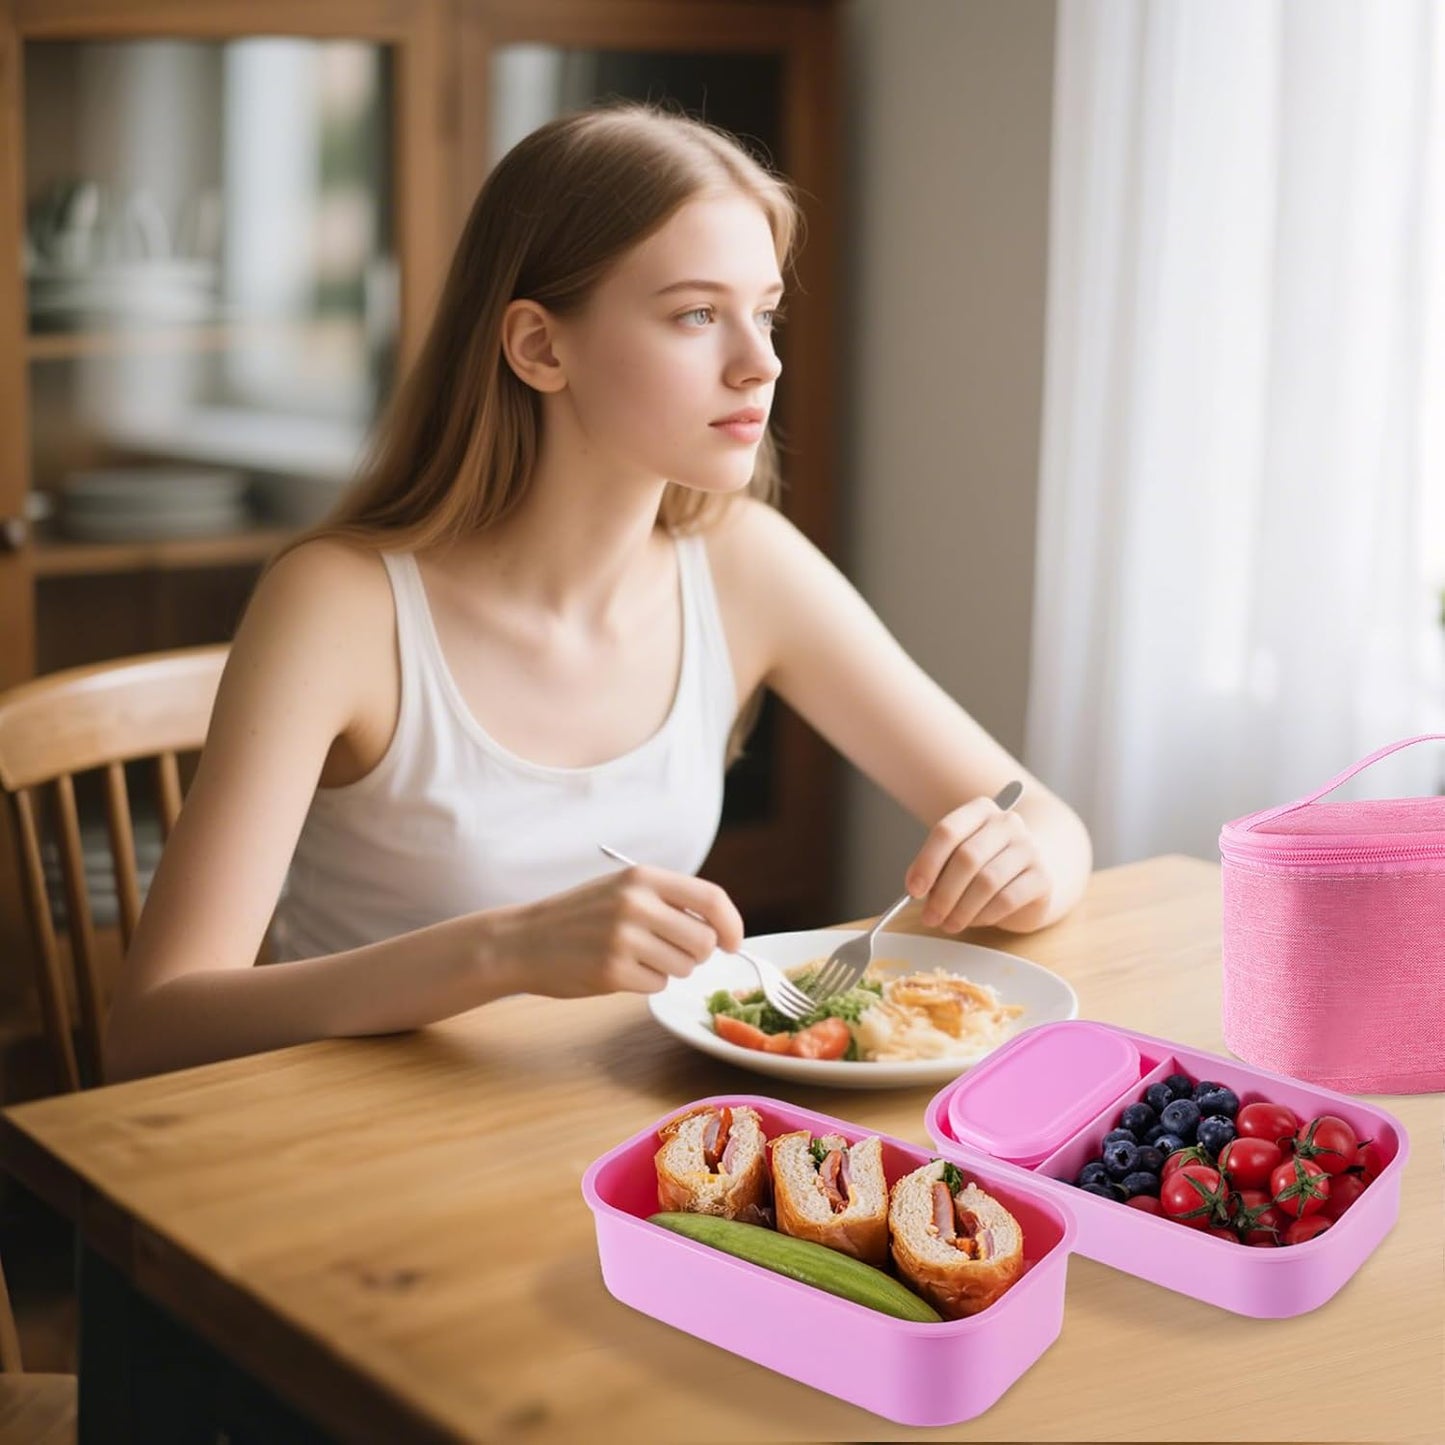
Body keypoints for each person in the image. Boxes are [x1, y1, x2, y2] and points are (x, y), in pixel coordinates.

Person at [104, 103, 1092, 1083]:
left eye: (765, 310)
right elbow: (153, 1026)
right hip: (356, 1158)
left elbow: (1042, 820)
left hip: (611, 1121)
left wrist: (1021, 863)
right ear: (539, 347)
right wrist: (503, 951)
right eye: (697, 314)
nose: (761, 360)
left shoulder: (743, 561)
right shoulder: (339, 605)